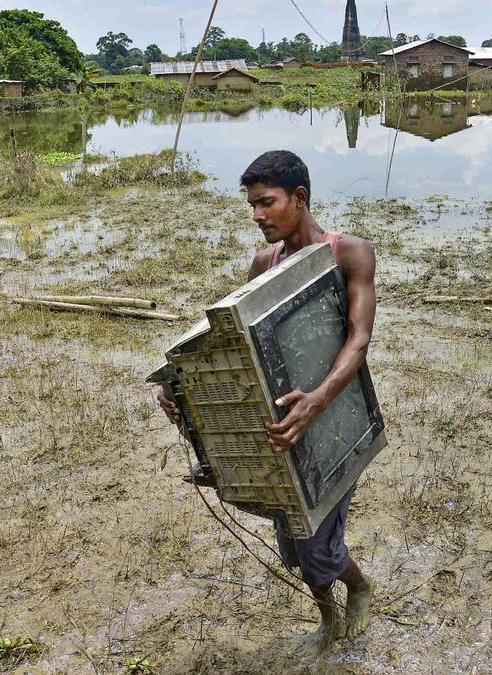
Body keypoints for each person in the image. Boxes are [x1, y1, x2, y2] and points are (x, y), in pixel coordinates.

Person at [155, 150, 377, 651]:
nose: (257, 216)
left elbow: (358, 341)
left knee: (318, 545)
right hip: (282, 425)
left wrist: (318, 399)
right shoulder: (264, 264)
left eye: (266, 203)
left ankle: (359, 587)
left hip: (333, 418)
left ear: (299, 198)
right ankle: (328, 620)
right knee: (295, 543)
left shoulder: (348, 253)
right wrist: (181, 392)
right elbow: (241, 343)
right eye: (252, 206)